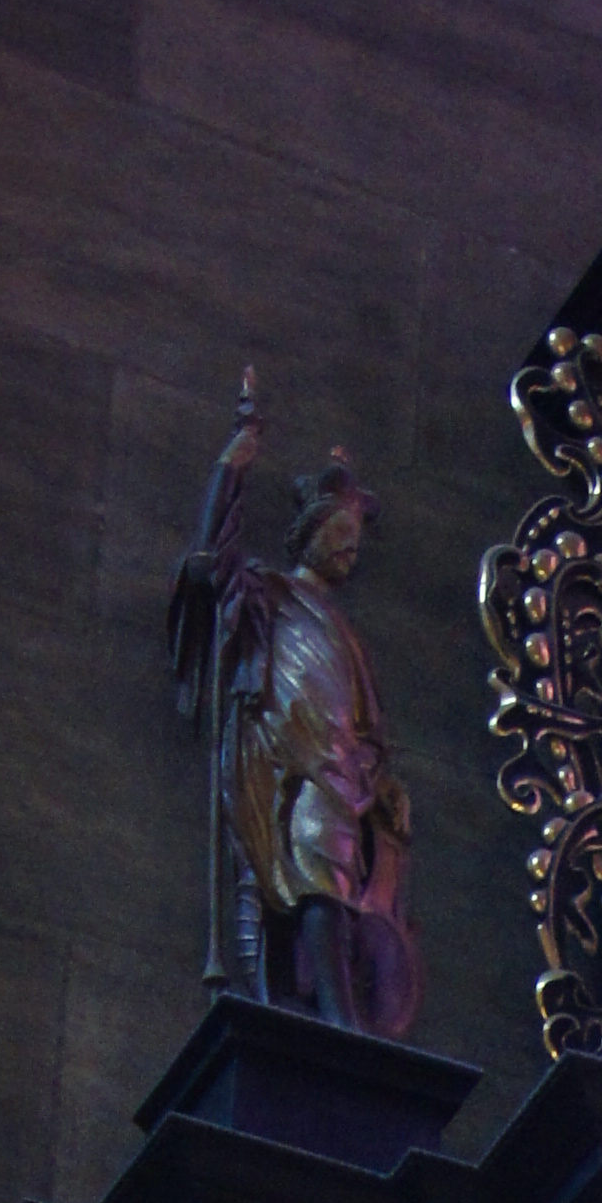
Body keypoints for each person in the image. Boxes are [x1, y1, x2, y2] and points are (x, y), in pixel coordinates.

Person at [168, 378, 420, 1039]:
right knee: (319, 867)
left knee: (335, 874)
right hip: (290, 762)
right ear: (308, 535)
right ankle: (337, 1013)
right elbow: (209, 564)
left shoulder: (345, 632)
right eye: (340, 533)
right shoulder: (272, 596)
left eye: (356, 540)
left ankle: (333, 1005)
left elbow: (365, 718)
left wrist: (382, 782)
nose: (350, 548)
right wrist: (234, 464)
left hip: (344, 771)